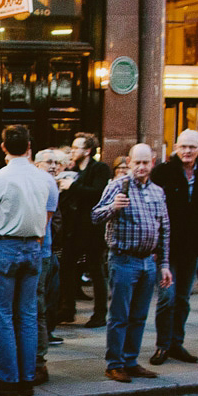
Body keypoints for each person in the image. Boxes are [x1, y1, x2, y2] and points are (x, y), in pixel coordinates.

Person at [0, 126, 52, 396]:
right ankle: (27, 377)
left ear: (4, 147)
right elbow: (46, 213)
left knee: (5, 315)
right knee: (28, 314)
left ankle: (8, 378)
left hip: (6, 247)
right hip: (34, 247)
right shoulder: (43, 178)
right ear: (30, 146)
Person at [92, 144, 173, 382]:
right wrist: (112, 207)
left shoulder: (158, 191)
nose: (141, 167)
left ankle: (130, 360)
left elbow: (165, 229)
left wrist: (165, 264)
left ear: (153, 162)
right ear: (129, 161)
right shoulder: (117, 185)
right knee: (119, 316)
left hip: (148, 262)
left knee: (138, 316)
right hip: (123, 259)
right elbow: (95, 215)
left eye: (145, 162)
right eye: (136, 162)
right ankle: (114, 363)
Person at [149, 129, 198, 365]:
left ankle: (176, 344)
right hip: (167, 247)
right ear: (175, 147)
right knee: (167, 298)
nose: (187, 151)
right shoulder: (163, 173)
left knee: (183, 298)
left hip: (192, 249)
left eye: (192, 147)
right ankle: (162, 345)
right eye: (183, 146)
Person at [56, 133, 112, 328]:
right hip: (73, 229)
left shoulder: (100, 169)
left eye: (76, 148)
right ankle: (67, 308)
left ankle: (100, 314)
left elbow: (98, 193)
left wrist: (73, 186)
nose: (72, 151)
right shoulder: (73, 170)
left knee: (96, 270)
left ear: (88, 151)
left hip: (93, 229)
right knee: (67, 266)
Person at [31, 149, 66, 383]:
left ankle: (38, 362)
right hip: (41, 251)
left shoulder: (52, 185)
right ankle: (34, 361)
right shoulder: (38, 183)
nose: (53, 165)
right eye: (48, 162)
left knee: (38, 306)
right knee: (35, 307)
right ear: (36, 163)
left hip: (45, 252)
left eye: (56, 162)